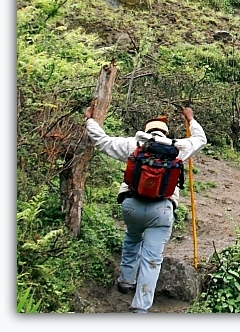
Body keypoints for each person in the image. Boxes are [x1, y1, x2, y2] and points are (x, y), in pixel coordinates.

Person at [84, 102, 207, 313]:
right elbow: (201, 139)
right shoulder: (177, 148)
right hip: (161, 210)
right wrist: (190, 119)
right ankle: (140, 308)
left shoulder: (134, 145)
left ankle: (125, 281)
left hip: (132, 205)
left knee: (133, 237)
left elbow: (102, 141)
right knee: (152, 259)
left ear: (147, 130)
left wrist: (89, 120)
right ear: (166, 133)